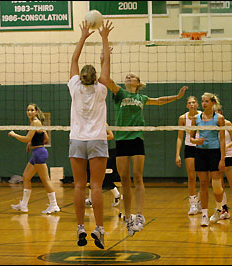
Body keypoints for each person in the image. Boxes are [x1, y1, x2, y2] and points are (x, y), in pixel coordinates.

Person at [104, 69, 188, 236]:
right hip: (121, 140)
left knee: (138, 176)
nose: (129, 77)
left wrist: (177, 97)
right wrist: (103, 58)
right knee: (125, 180)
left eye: (132, 76)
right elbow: (107, 80)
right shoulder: (119, 93)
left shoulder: (141, 98)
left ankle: (140, 215)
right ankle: (128, 217)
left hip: (136, 139)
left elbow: (159, 100)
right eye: (127, 76)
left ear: (138, 83)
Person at [68, 19, 114, 249]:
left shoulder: (74, 86)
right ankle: (99, 228)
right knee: (96, 186)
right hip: (96, 140)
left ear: (81, 77)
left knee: (78, 186)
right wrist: (104, 38)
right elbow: (107, 65)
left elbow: (74, 60)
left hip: (77, 140)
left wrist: (83, 37)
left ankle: (80, 228)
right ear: (96, 77)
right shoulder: (102, 88)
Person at [8, 103, 60, 214]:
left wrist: (14, 134)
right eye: (28, 110)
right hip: (37, 152)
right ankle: (23, 205)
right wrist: (32, 142)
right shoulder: (36, 123)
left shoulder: (36, 122)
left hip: (39, 153)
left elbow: (27, 138)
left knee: (45, 180)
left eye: (32, 110)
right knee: (26, 177)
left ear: (36, 111)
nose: (29, 112)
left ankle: (54, 205)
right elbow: (45, 137)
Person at [190, 92, 225, 227]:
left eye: (206, 101)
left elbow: (222, 139)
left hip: (215, 153)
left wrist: (222, 158)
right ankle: (204, 215)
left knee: (216, 185)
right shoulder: (196, 118)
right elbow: (191, 137)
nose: (204, 103)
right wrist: (196, 140)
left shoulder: (219, 118)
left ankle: (218, 208)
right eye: (202, 101)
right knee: (203, 184)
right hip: (201, 153)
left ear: (212, 103)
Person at [176, 96, 202, 215]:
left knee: (204, 178)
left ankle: (201, 200)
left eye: (193, 102)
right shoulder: (182, 118)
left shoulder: (203, 116)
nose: (192, 104)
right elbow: (180, 137)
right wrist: (177, 154)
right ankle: (192, 203)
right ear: (187, 105)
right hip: (189, 147)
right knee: (191, 176)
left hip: (203, 147)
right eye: (189, 103)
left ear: (197, 104)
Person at [85, 123, 122, 208]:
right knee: (93, 175)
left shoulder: (103, 122)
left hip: (101, 152)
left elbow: (111, 136)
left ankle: (92, 200)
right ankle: (116, 195)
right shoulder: (88, 122)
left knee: (99, 176)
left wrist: (98, 139)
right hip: (91, 151)